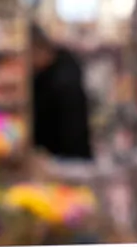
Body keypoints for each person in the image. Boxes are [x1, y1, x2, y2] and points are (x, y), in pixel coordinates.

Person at [29, 24, 93, 160]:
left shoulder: (61, 80)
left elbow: (70, 130)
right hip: (69, 157)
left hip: (66, 159)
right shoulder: (63, 68)